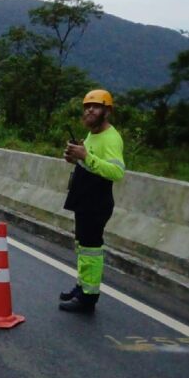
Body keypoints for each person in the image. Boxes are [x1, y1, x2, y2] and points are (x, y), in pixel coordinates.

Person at [60, 89, 125, 313]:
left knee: (91, 249)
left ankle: (88, 298)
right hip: (84, 198)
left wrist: (85, 156)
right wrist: (75, 158)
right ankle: (81, 287)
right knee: (82, 247)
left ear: (107, 111)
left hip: (97, 202)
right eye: (87, 106)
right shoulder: (93, 134)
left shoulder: (111, 138)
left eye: (96, 106)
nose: (90, 110)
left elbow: (116, 172)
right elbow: (89, 163)